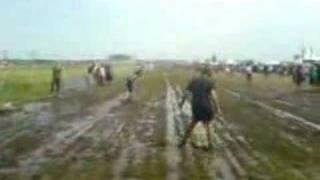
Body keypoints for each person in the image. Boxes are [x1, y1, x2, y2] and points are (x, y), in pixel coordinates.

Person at [178, 69, 222, 149]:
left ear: (201, 73)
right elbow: (214, 96)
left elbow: (186, 93)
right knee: (207, 125)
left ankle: (183, 142)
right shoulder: (210, 82)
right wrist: (217, 108)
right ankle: (210, 144)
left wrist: (181, 103)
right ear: (208, 74)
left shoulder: (193, 81)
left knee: (192, 124)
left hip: (196, 106)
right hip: (206, 106)